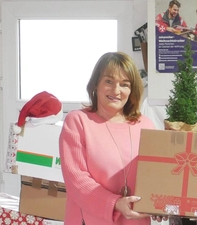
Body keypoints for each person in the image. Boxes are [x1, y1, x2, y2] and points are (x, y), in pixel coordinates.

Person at [59, 52, 157, 224]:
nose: (116, 90)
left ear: (132, 89)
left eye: (124, 84)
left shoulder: (146, 125)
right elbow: (76, 179)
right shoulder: (78, 121)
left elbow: (156, 174)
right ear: (96, 84)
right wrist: (115, 203)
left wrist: (158, 203)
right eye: (109, 81)